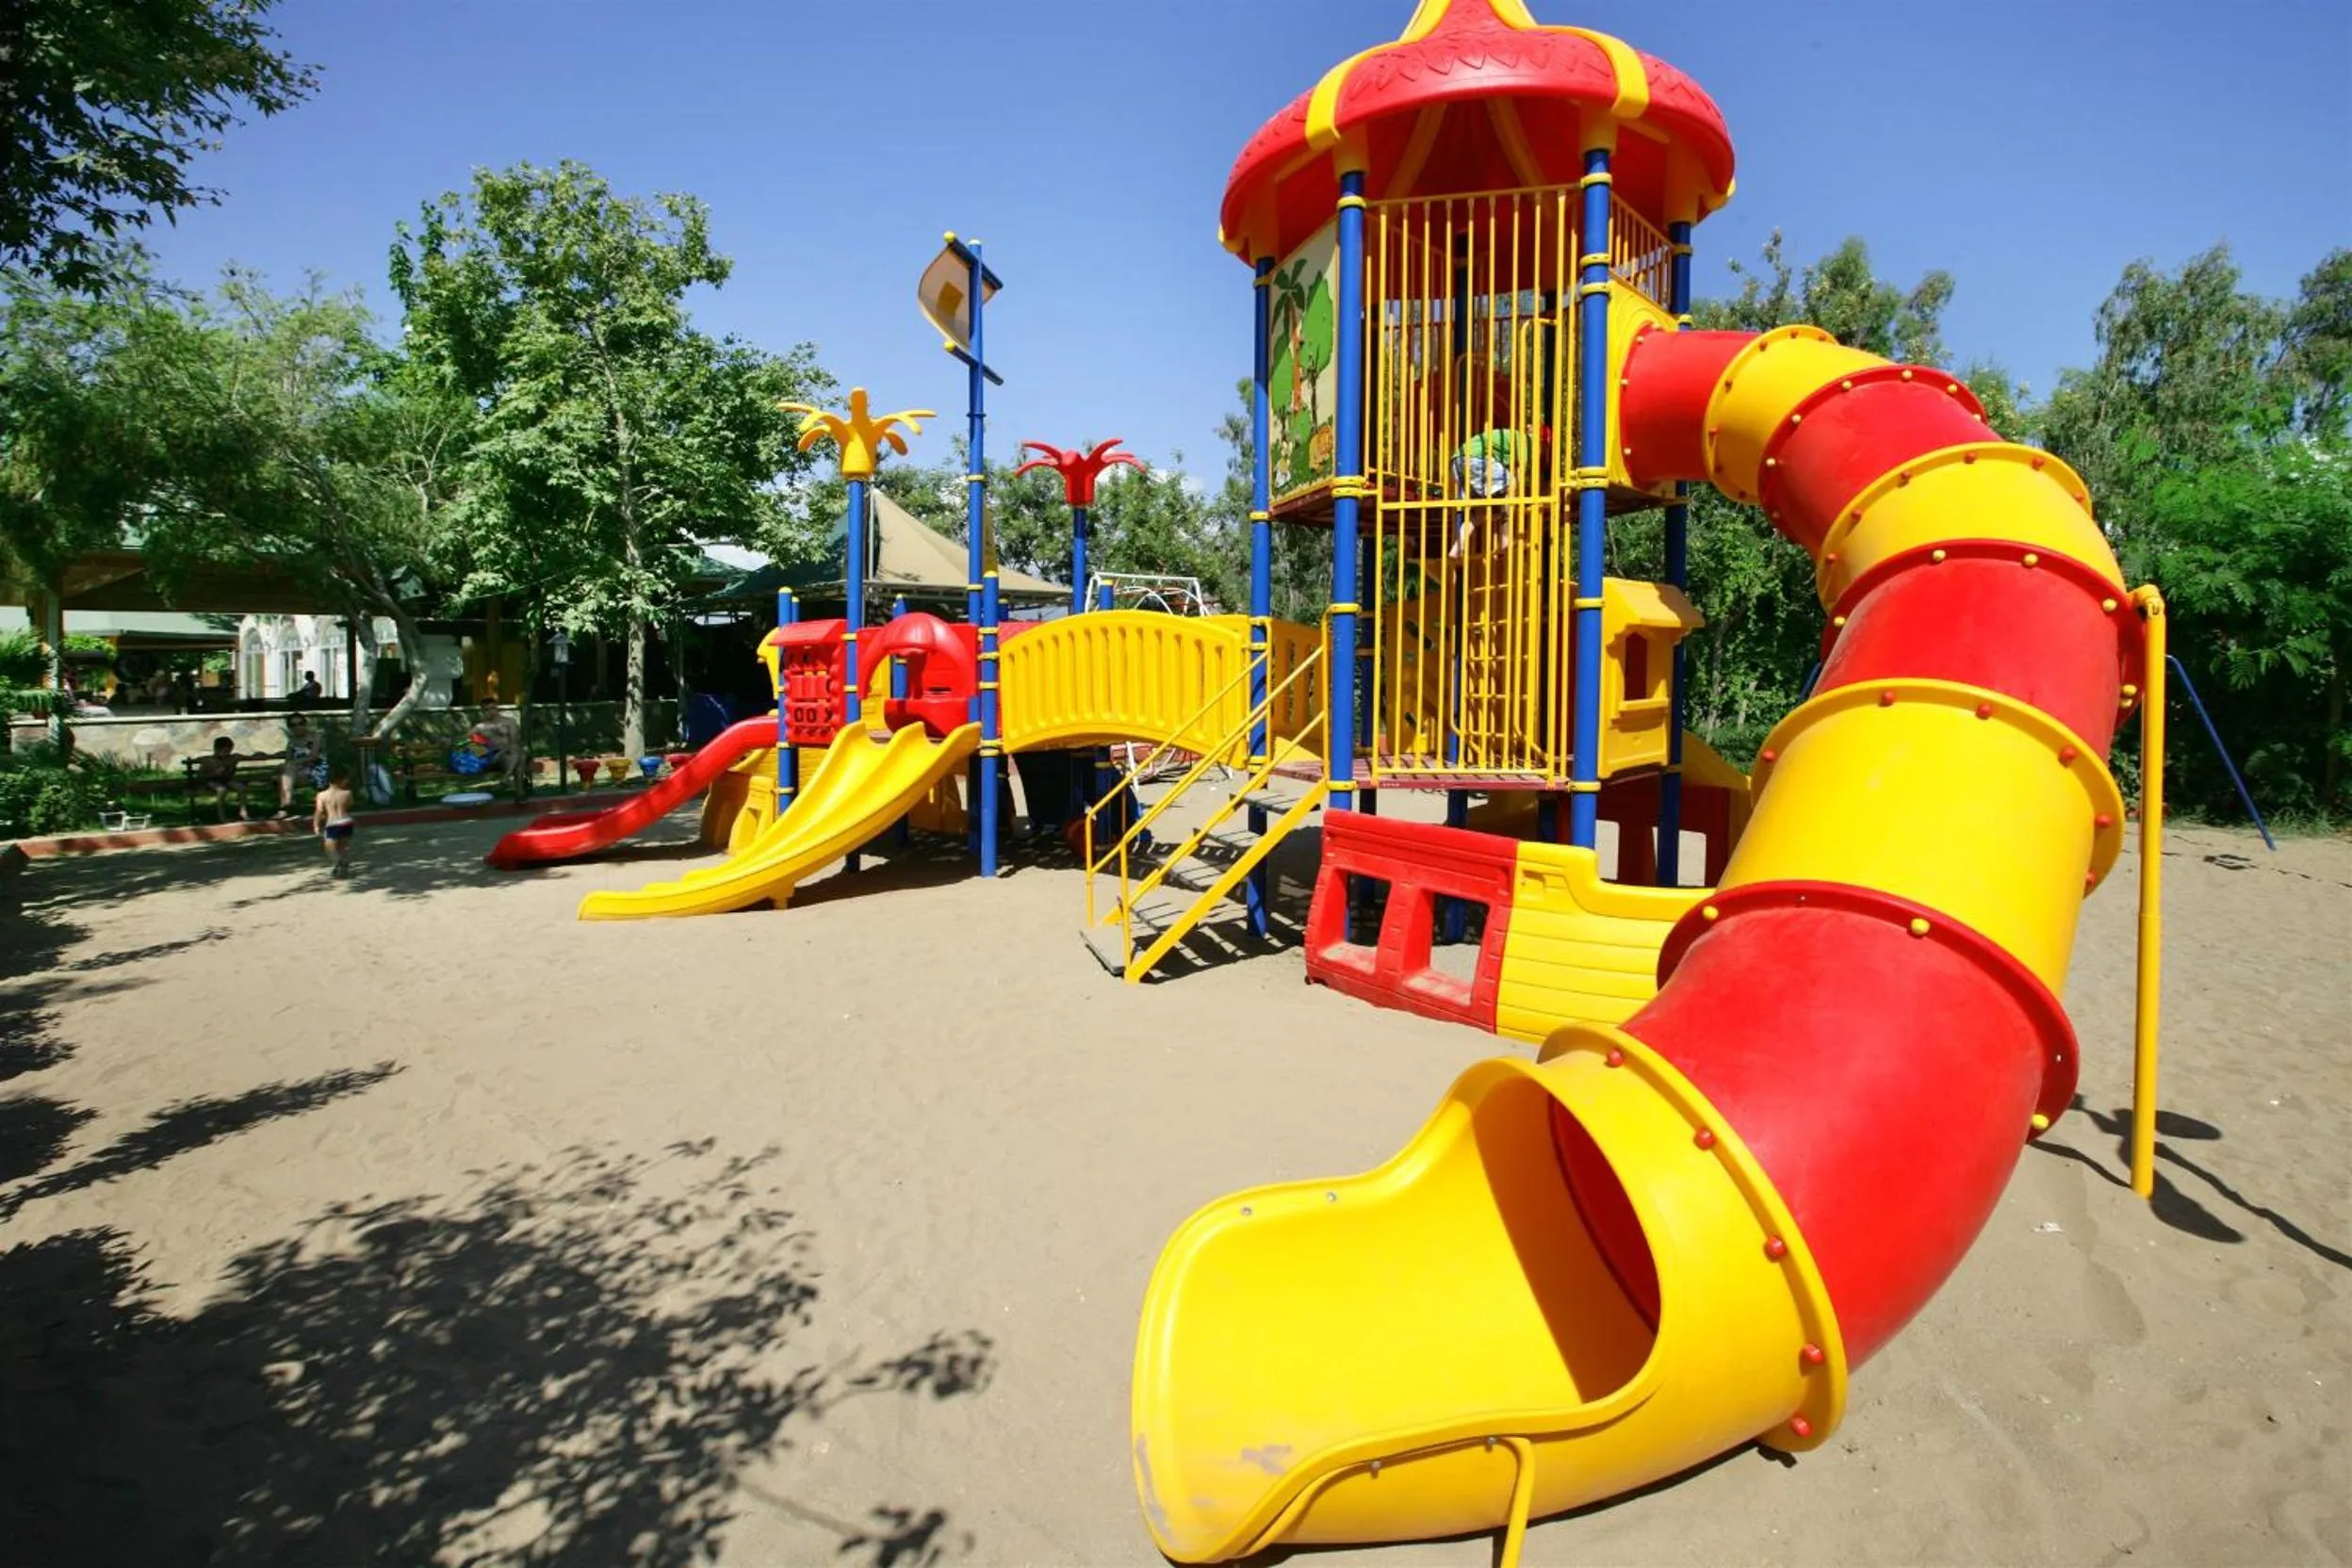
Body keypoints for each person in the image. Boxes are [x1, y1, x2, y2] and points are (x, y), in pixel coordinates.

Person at [1447, 422, 1551, 556]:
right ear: (1541, 441)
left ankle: (1457, 548)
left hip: (1457, 464)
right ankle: (1505, 539)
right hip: (1474, 460)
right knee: (1511, 484)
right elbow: (1519, 474)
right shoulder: (1528, 443)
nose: (1542, 453)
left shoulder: (1513, 439)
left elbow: (1503, 471)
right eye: (1545, 448)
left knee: (1478, 514)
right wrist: (1516, 499)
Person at [193, 736, 257, 822]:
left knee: (241, 787)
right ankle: (222, 816)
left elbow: (249, 757)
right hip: (211, 781)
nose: (227, 753)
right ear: (216, 749)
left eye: (229, 751)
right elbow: (200, 776)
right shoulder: (209, 761)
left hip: (226, 780)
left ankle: (244, 813)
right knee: (222, 790)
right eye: (225, 751)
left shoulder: (232, 758)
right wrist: (213, 773)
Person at [313, 771, 356, 879]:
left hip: (332, 823)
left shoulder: (322, 795)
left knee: (329, 848)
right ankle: (344, 865)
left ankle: (339, 863)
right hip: (347, 821)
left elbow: (319, 811)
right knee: (344, 846)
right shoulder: (347, 793)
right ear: (340, 780)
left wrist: (316, 825)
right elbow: (350, 805)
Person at [276, 714, 322, 816]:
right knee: (284, 773)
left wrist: (293, 764)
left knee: (284, 775)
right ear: (290, 728)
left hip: (316, 770)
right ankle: (286, 804)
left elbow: (313, 756)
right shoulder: (292, 742)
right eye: (293, 725)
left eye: (300, 723)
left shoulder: (315, 737)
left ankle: (284, 807)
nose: (298, 727)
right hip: (297, 772)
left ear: (305, 724)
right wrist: (290, 765)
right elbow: (288, 760)